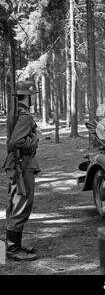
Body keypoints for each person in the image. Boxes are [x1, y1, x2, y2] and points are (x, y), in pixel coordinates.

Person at [3, 79, 40, 261]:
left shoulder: (15, 112)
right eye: (31, 96)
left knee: (15, 203)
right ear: (26, 96)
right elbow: (15, 142)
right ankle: (12, 248)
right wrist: (35, 139)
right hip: (22, 163)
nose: (33, 99)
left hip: (18, 162)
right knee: (22, 204)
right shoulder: (24, 115)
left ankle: (13, 244)